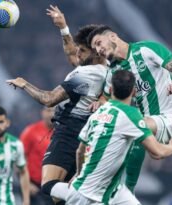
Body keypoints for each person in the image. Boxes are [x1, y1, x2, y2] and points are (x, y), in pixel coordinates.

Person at [47, 70, 172, 205]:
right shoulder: (131, 115)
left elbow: (80, 151)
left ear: (111, 89)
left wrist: (78, 174)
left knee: (48, 186)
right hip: (91, 196)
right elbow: (157, 152)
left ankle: (50, 187)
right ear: (134, 92)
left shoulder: (98, 113)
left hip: (102, 188)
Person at [6, 24, 108, 204]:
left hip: (68, 132)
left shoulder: (85, 74)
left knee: (48, 186)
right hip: (86, 133)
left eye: (82, 50)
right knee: (60, 194)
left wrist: (24, 84)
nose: (77, 54)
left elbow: (49, 99)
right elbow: (71, 54)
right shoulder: (105, 68)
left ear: (95, 52)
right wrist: (63, 28)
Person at [88, 25, 172, 191]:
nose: (98, 50)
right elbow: (105, 97)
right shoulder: (114, 72)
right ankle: (124, 192)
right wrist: (99, 103)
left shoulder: (146, 50)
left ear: (112, 36)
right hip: (148, 125)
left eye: (99, 43)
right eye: (95, 48)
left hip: (171, 117)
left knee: (131, 126)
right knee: (151, 149)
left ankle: (122, 189)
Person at [20, 107, 55, 205]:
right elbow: (19, 160)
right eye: (48, 110)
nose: (51, 114)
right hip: (34, 186)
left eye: (54, 111)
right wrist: (28, 184)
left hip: (53, 185)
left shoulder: (61, 133)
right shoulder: (31, 131)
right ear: (42, 112)